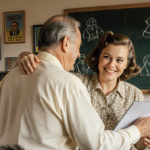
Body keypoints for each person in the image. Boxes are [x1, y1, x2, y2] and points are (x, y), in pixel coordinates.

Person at [1, 15, 150, 150]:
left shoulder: (8, 77)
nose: (79, 53)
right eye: (78, 46)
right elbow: (97, 144)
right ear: (66, 42)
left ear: (126, 64)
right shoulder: (70, 83)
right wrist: (136, 130)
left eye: (119, 60)